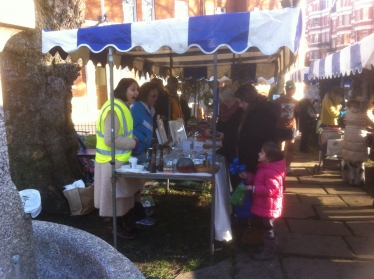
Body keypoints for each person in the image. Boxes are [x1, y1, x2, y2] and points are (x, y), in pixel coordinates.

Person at [94, 78, 144, 239]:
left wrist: (134, 138)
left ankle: (127, 224)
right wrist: (133, 143)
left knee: (125, 195)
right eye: (132, 89)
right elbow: (110, 139)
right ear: (123, 90)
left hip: (119, 160)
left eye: (137, 89)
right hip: (110, 161)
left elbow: (121, 133)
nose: (136, 93)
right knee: (115, 198)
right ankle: (116, 228)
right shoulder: (114, 109)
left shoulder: (121, 107)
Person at [234, 83, 278, 244]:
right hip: (261, 163)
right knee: (260, 200)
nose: (239, 105)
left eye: (240, 101)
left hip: (260, 164)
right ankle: (259, 232)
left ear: (247, 99)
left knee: (260, 200)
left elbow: (252, 145)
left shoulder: (257, 117)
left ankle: (261, 235)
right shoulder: (258, 113)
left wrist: (247, 168)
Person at [241, 141, 285, 261]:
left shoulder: (271, 172)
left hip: (269, 206)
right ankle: (270, 245)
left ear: (269, 158)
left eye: (262, 152)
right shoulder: (265, 168)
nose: (258, 154)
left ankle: (269, 250)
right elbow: (260, 180)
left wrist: (253, 188)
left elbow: (271, 189)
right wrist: (249, 177)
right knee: (268, 227)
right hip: (267, 205)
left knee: (268, 228)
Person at [342, 99, 374, 185]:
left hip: (348, 135)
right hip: (360, 136)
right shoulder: (365, 112)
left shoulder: (348, 110)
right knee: (359, 160)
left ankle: (348, 178)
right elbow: (372, 123)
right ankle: (358, 180)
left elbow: (344, 121)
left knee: (349, 158)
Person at [215, 84, 243, 179]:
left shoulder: (241, 111)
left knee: (235, 178)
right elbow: (219, 127)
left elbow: (240, 133)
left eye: (227, 100)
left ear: (234, 98)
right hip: (227, 149)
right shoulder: (224, 110)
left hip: (236, 152)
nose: (225, 103)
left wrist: (225, 136)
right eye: (223, 101)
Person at [274, 80, 299, 175]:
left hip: (291, 127)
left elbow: (297, 116)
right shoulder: (278, 101)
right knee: (279, 147)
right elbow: (274, 114)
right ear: (287, 89)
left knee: (290, 148)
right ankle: (279, 165)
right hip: (279, 127)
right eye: (291, 89)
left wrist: (297, 128)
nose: (292, 91)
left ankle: (287, 167)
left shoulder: (296, 102)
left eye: (293, 90)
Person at [131, 82, 158, 163]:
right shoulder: (137, 108)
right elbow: (129, 128)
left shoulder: (150, 109)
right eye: (153, 96)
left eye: (157, 96)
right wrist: (144, 139)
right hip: (136, 153)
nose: (156, 98)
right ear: (145, 95)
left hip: (143, 152)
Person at [298, 84, 320, 153]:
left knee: (305, 137)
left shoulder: (305, 103)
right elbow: (308, 114)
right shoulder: (306, 104)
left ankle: (304, 148)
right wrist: (316, 115)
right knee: (305, 137)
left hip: (306, 123)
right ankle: (304, 149)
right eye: (312, 98)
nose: (313, 100)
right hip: (306, 124)